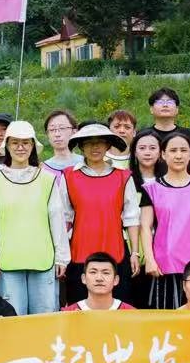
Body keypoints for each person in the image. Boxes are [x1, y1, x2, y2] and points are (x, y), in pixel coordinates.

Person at [0, 121, 66, 315]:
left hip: (43, 259)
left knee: (45, 317)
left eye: (26, 143)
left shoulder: (47, 179)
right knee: (12, 316)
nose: (20, 148)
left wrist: (61, 257)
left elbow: (57, 220)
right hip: (7, 261)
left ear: (33, 146)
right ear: (7, 146)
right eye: (15, 143)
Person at [57, 123, 139, 306]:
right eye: (89, 143)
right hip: (79, 252)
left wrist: (135, 252)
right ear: (81, 146)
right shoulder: (69, 176)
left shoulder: (123, 177)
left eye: (100, 142)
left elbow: (132, 218)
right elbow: (63, 220)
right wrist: (61, 256)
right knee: (80, 307)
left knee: (118, 307)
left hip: (116, 251)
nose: (95, 147)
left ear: (108, 145)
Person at [139, 129, 190, 310]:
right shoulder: (151, 188)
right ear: (163, 154)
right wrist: (150, 259)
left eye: (183, 150)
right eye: (173, 150)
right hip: (164, 263)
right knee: (168, 316)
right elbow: (145, 226)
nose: (178, 155)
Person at [62, 252, 131, 311]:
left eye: (106, 273)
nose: (99, 278)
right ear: (83, 278)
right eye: (93, 272)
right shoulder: (68, 313)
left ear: (116, 280)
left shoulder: (130, 313)